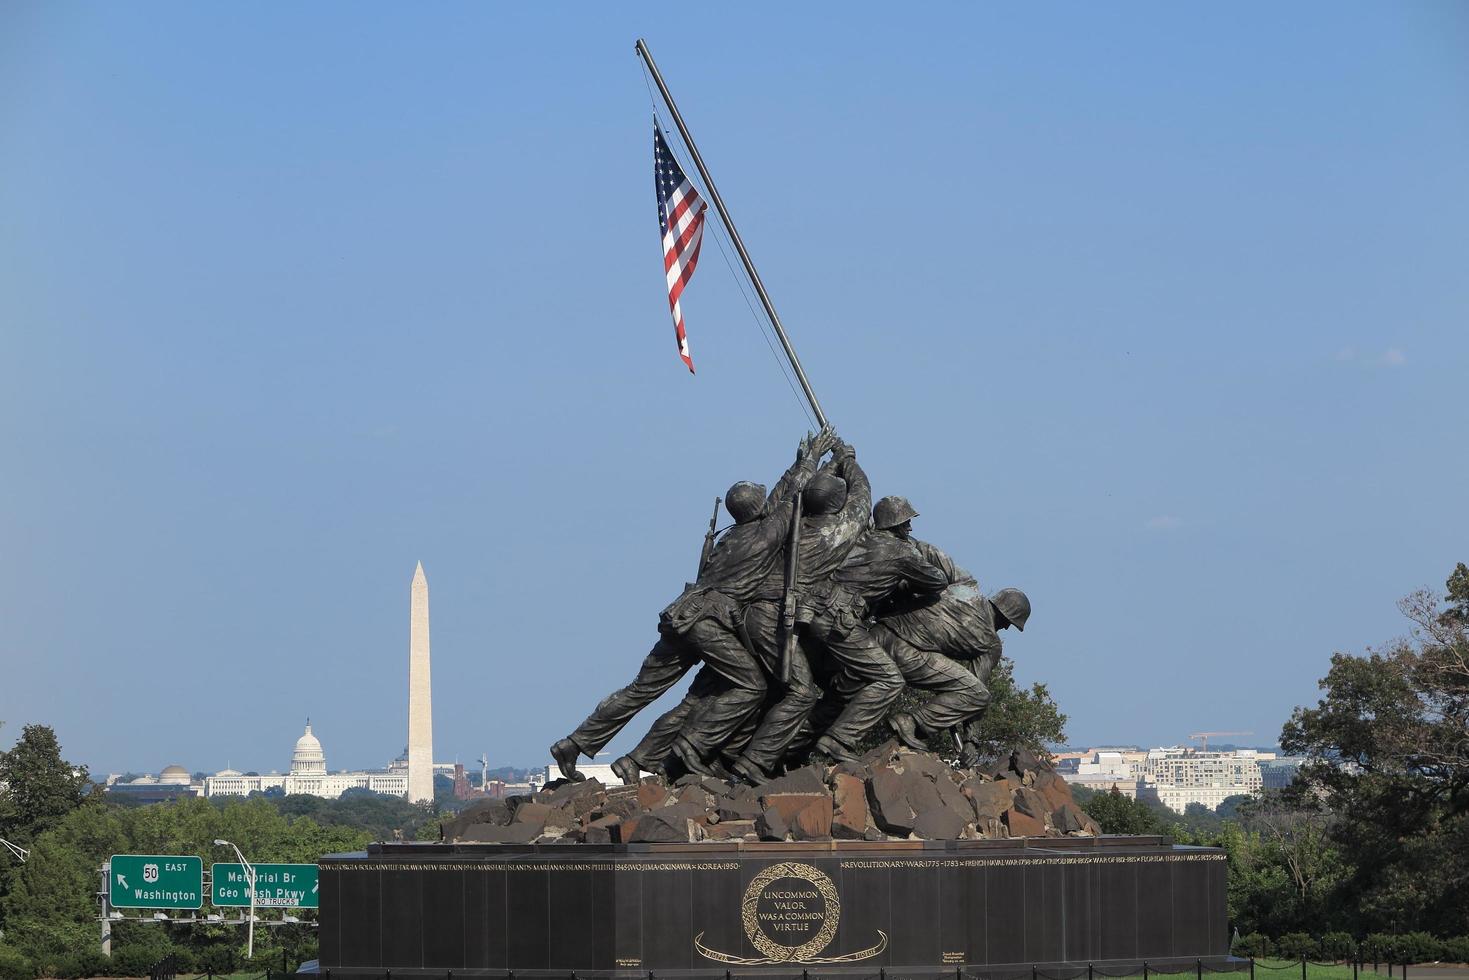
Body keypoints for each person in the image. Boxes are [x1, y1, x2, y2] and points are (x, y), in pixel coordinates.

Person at [548, 428, 833, 781]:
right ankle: (693, 747)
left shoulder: (733, 536)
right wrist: (811, 458)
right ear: (757, 508)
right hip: (709, 622)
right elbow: (792, 500)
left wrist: (798, 461)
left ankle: (575, 742)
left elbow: (779, 499)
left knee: (640, 690)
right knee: (752, 686)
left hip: (681, 614)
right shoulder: (765, 534)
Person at [725, 438, 872, 783]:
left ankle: (737, 754)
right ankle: (751, 762)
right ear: (837, 505)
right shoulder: (836, 532)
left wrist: (818, 464)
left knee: (771, 687)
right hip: (773, 616)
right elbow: (862, 498)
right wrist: (847, 460)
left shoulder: (788, 523)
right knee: (802, 692)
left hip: (748, 614)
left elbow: (788, 497)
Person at [784, 495, 951, 765]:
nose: (909, 528)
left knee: (844, 686)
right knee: (889, 679)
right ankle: (838, 741)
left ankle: (789, 749)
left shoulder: (857, 539)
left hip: (812, 613)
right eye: (906, 522)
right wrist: (908, 573)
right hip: (840, 619)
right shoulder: (902, 551)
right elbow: (937, 580)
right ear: (895, 525)